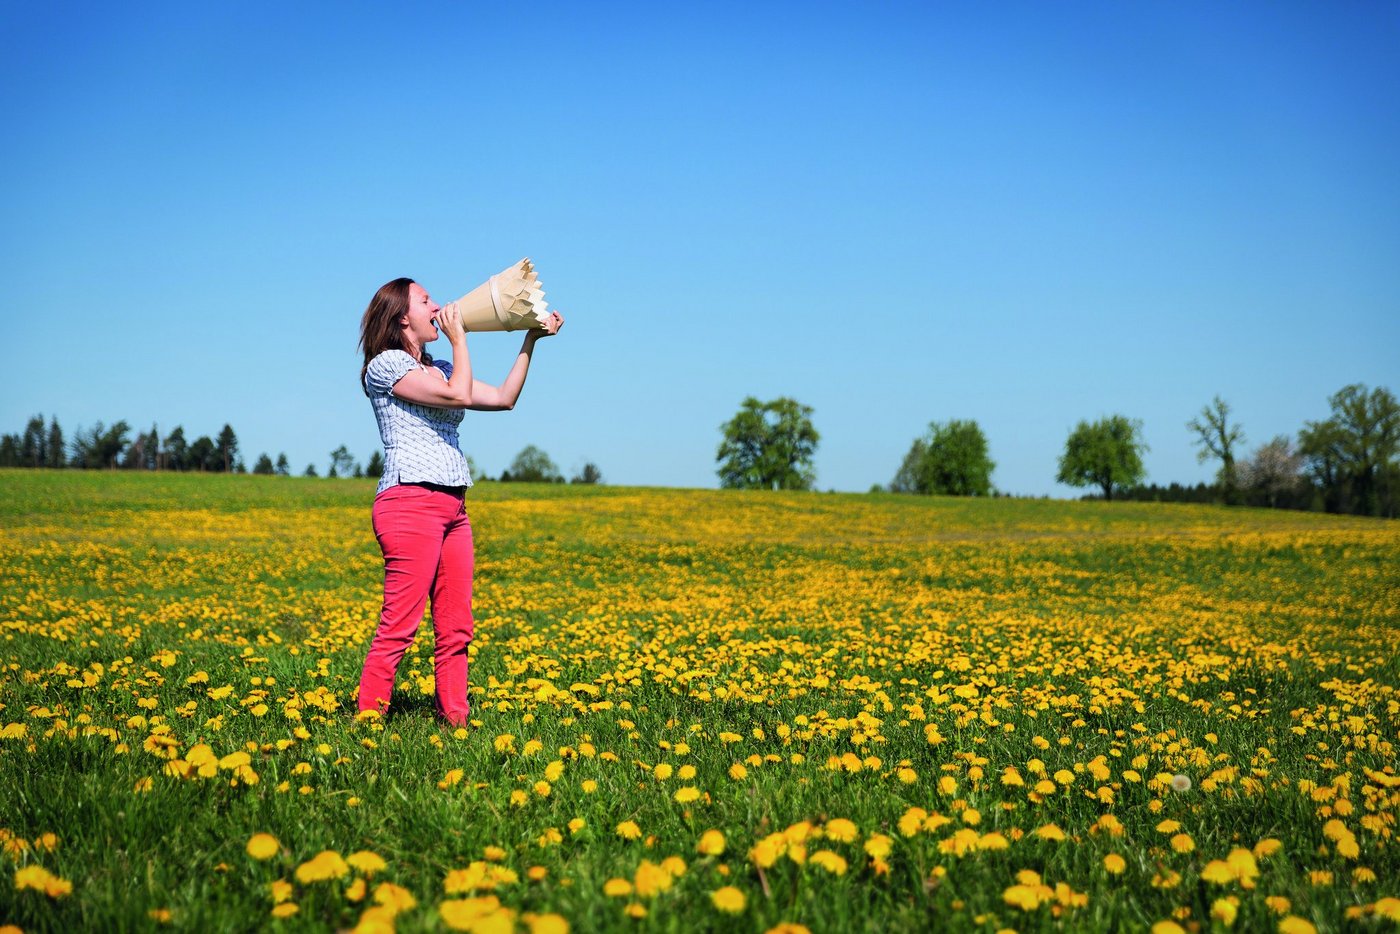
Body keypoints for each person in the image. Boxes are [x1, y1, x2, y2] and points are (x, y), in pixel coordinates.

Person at [355, 277, 563, 726]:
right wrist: (461, 338)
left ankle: (455, 722)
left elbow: (504, 400)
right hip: (409, 500)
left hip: (454, 507)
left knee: (456, 627)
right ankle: (368, 722)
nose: (437, 304)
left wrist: (530, 341)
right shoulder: (385, 366)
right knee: (400, 625)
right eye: (425, 300)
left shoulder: (443, 365)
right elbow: (456, 395)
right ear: (401, 316)